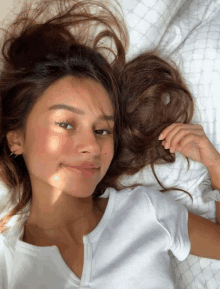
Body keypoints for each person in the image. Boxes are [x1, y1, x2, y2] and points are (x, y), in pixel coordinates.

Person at [0, 0, 220, 288]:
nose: (91, 146)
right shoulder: (6, 261)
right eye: (66, 124)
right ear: (16, 139)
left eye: (103, 130)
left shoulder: (145, 212)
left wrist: (214, 165)